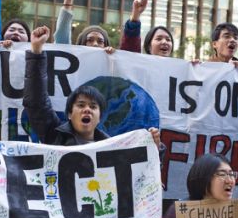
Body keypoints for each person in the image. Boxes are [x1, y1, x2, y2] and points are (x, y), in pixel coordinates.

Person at [23, 25, 162, 148]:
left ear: (100, 117)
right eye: (81, 105)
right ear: (70, 114)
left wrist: (154, 150)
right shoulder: (55, 137)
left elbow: (138, 172)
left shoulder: (111, 149)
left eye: (93, 106)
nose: (87, 110)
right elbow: (36, 102)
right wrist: (36, 52)